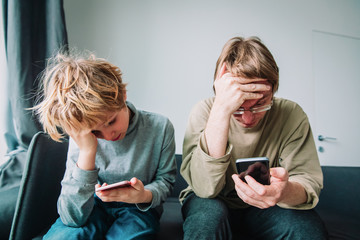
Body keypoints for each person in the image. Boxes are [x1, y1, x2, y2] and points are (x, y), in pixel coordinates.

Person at [180, 36, 328, 239]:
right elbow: (205, 189)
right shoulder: (204, 111)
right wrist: (221, 112)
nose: (248, 118)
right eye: (238, 107)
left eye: (260, 104)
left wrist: (282, 192)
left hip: (268, 205)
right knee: (205, 220)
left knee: (306, 231)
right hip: (211, 200)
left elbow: (307, 181)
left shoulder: (291, 114)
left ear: (273, 90)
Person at [32, 51, 176, 239]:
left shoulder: (159, 127)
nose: (108, 135)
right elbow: (72, 218)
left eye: (111, 121)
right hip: (91, 205)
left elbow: (165, 181)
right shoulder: (81, 133)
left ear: (123, 96)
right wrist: (86, 151)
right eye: (96, 132)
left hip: (137, 210)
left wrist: (144, 196)